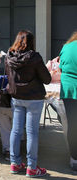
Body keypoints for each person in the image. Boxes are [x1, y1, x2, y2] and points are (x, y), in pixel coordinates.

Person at [5, 30, 51, 177]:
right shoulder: (34, 57)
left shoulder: (9, 56)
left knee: (16, 131)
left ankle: (15, 164)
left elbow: (8, 76)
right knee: (32, 133)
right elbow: (47, 79)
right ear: (31, 42)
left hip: (16, 96)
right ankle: (31, 167)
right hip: (34, 98)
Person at [59, 31, 77, 171]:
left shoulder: (66, 47)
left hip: (68, 90)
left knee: (73, 124)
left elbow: (60, 67)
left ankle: (73, 158)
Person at [0, 74, 12, 161]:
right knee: (17, 129)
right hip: (18, 105)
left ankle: (8, 150)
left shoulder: (1, 79)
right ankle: (15, 149)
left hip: (3, 105)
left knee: (5, 129)